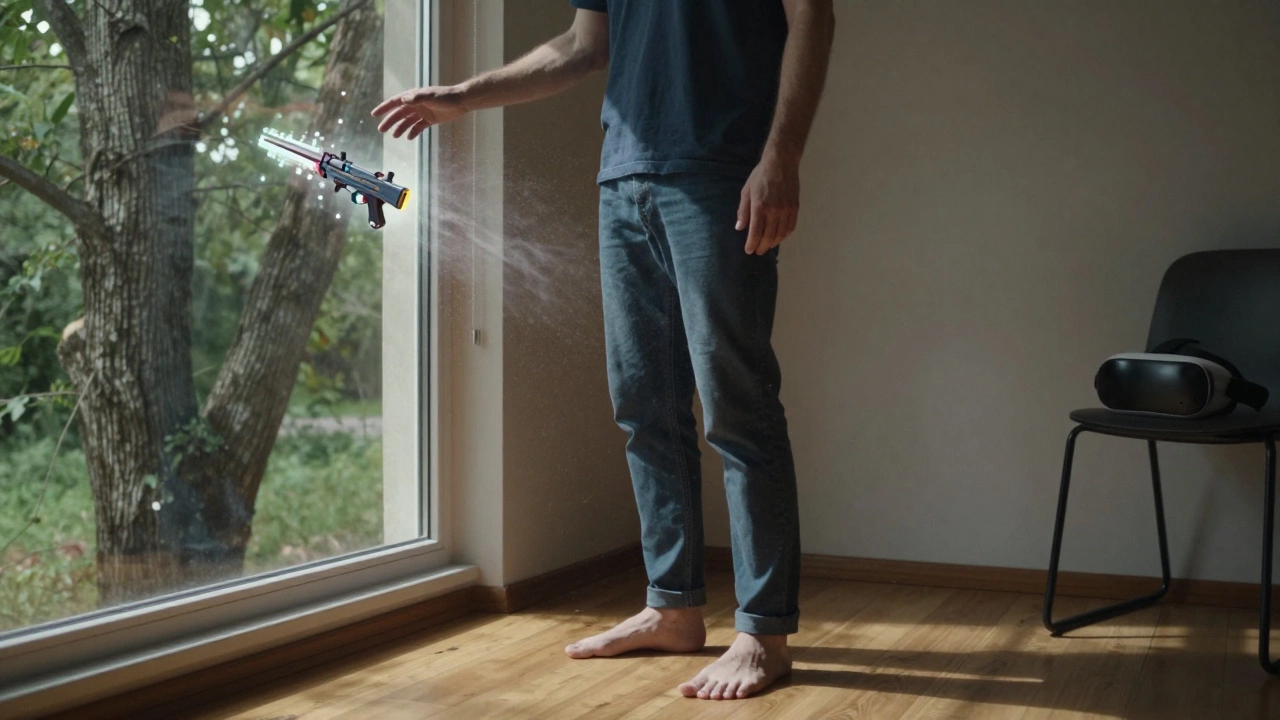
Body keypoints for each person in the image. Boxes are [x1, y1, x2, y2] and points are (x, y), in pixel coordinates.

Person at [373, 0, 834, 701]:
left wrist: (783, 157)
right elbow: (583, 47)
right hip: (623, 178)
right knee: (644, 404)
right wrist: (463, 97)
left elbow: (814, 14)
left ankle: (763, 632)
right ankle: (673, 606)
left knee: (737, 408)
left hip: (720, 173)